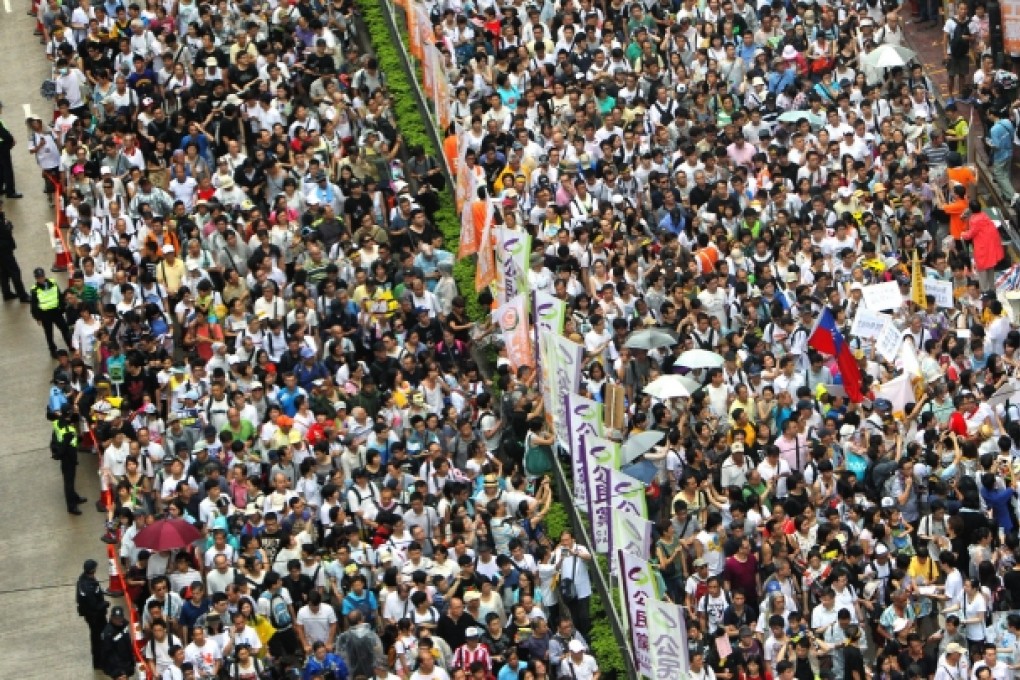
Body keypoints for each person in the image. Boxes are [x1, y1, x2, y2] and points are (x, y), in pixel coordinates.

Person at [960, 201, 1004, 292]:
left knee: (982, 270)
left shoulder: (974, 220)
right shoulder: (984, 215)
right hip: (991, 246)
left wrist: (963, 234)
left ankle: (985, 290)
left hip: (982, 247)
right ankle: (992, 289)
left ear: (971, 209)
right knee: (990, 268)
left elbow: (970, 234)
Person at [29, 267, 71, 357]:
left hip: (56, 312)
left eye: (41, 277)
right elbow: (34, 305)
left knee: (65, 329)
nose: (40, 279)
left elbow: (59, 296)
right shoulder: (34, 289)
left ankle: (70, 345)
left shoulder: (53, 283)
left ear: (44, 276)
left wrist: (62, 308)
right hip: (45, 314)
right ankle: (53, 350)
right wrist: (37, 317)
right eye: (38, 278)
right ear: (36, 278)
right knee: (49, 333)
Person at [53, 404, 86, 514]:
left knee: (70, 481)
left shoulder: (58, 422)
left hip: (66, 457)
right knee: (69, 483)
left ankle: (74, 497)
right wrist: (79, 438)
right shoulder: (68, 431)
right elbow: (68, 444)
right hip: (68, 458)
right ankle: (71, 507)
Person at [77, 558, 109, 670]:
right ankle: (99, 662)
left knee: (98, 637)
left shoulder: (82, 580)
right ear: (92, 570)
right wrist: (105, 604)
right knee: (98, 638)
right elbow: (94, 605)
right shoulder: (88, 586)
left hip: (91, 615)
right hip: (95, 617)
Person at [0, 204, 28, 301]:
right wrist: (8, 225)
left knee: (4, 271)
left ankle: (6, 292)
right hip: (4, 249)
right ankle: (22, 295)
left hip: (3, 249)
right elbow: (5, 230)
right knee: (15, 271)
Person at [100, 606, 136, 680]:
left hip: (127, 663)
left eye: (120, 618)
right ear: (112, 618)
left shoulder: (124, 627)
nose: (119, 620)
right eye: (116, 618)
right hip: (117, 668)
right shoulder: (108, 633)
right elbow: (108, 654)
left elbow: (127, 645)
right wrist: (119, 671)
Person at [0, 102, 19, 198]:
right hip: (2, 147)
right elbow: (4, 134)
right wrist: (11, 140)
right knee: (7, 169)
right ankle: (10, 191)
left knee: (1, 168)